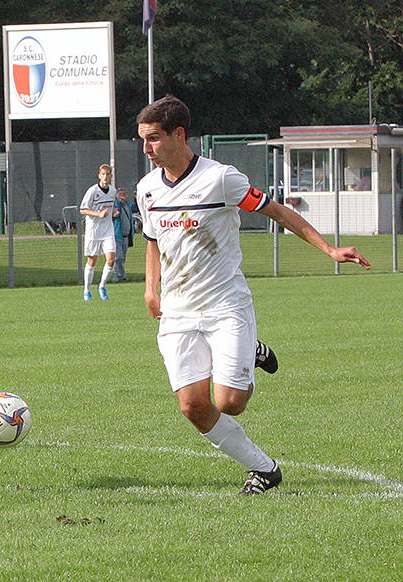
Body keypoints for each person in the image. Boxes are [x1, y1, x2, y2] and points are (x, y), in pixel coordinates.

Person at [137, 95, 370, 495]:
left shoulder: (221, 179)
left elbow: (276, 211)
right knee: (193, 407)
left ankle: (250, 351)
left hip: (226, 305)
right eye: (142, 140)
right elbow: (154, 240)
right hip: (178, 312)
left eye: (154, 139)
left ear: (179, 134)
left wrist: (329, 249)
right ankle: (264, 470)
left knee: (229, 403)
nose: (147, 149)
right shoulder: (146, 189)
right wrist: (150, 287)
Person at [79, 164, 116, 301]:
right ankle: (87, 290)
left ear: (111, 176)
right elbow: (83, 209)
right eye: (103, 174)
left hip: (108, 231)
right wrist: (98, 214)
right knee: (92, 260)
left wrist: (114, 212)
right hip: (93, 232)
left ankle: (102, 286)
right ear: (99, 175)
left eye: (108, 174)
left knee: (111, 260)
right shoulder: (92, 191)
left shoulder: (113, 191)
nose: (105, 177)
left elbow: (111, 208)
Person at [111, 187, 132, 282]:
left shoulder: (128, 205)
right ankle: (118, 275)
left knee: (123, 257)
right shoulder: (116, 204)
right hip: (117, 235)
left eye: (124, 194)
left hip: (126, 236)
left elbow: (136, 207)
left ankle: (121, 276)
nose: (123, 196)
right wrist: (119, 201)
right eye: (120, 194)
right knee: (118, 257)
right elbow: (116, 212)